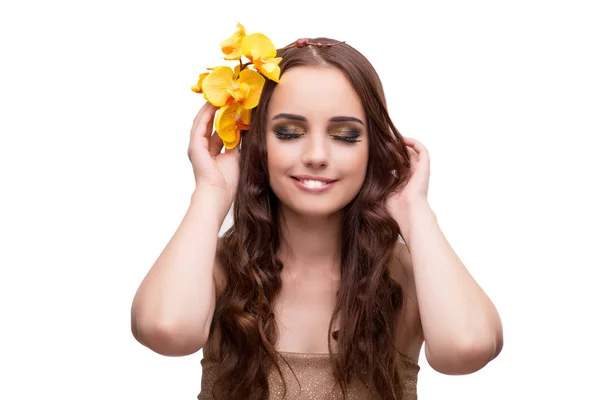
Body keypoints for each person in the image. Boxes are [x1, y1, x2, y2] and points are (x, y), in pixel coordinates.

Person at [130, 31, 503, 400]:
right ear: (257, 143)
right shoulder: (216, 269)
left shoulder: (405, 274)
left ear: (375, 148)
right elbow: (165, 330)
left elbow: (468, 348)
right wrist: (210, 194)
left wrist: (415, 210)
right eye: (289, 132)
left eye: (345, 136)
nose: (317, 155)